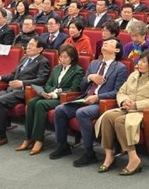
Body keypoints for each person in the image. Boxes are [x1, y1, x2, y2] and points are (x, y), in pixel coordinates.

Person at [49, 38, 128, 167]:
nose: (105, 43)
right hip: (86, 98)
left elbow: (118, 92)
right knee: (60, 110)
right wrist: (90, 77)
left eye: (110, 43)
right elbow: (82, 86)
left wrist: (97, 97)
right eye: (105, 42)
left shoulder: (120, 68)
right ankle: (62, 145)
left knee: (82, 113)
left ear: (117, 50)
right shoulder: (94, 64)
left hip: (102, 103)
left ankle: (89, 152)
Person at [95, 50, 149, 175]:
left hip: (143, 111)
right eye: (140, 61)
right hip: (127, 108)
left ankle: (134, 158)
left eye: (144, 62)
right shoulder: (133, 75)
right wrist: (124, 101)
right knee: (107, 117)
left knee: (120, 121)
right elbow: (121, 92)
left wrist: (135, 105)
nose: (139, 63)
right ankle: (109, 154)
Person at [0, 38, 51, 148]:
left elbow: (42, 80)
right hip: (11, 90)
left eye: (32, 45)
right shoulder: (24, 59)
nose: (28, 47)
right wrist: (0, 77)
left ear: (40, 49)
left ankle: (1, 136)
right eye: (28, 44)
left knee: (0, 101)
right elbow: (13, 75)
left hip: (24, 92)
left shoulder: (43, 62)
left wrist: (22, 83)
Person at [17, 44, 84, 155]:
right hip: (51, 95)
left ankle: (39, 140)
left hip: (63, 98)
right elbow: (48, 84)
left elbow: (74, 89)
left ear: (72, 57)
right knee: (32, 102)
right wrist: (50, 92)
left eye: (65, 57)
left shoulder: (78, 70)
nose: (62, 59)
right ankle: (29, 138)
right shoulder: (57, 68)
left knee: (40, 104)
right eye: (61, 57)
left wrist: (55, 94)